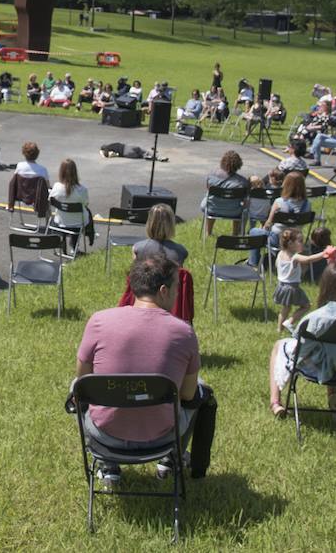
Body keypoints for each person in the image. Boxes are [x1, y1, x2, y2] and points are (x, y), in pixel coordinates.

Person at [74, 254, 200, 487]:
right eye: (176, 288)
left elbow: (82, 378)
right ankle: (171, 459)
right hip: (163, 435)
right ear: (164, 290)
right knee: (202, 390)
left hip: (105, 434)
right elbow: (188, 395)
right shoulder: (184, 333)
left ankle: (107, 465)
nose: (177, 294)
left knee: (78, 389)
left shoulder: (99, 321)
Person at [267, 263, 336, 417]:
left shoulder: (317, 318)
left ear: (325, 286)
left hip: (320, 371)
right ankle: (332, 396)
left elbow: (299, 352)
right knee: (332, 349)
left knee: (280, 345)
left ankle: (275, 403)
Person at [249, 171, 309, 266]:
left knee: (254, 231)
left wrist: (264, 229)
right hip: (296, 239)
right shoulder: (307, 204)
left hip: (278, 239)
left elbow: (268, 224)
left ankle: (253, 262)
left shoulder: (279, 202)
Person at [273, 228, 323, 334]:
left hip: (281, 286)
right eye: (300, 241)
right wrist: (324, 254)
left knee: (285, 308)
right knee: (306, 306)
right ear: (290, 243)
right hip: (292, 287)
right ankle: (290, 322)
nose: (302, 244)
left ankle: (279, 329)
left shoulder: (280, 254)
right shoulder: (295, 257)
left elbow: (277, 265)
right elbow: (309, 259)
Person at [201, 150, 248, 236]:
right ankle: (235, 233)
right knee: (241, 206)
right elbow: (245, 201)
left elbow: (208, 189)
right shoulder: (243, 182)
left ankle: (209, 232)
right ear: (239, 164)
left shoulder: (212, 176)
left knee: (210, 200)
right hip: (234, 212)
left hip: (212, 209)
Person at [49, 158, 91, 249]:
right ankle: (75, 247)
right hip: (78, 222)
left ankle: (63, 243)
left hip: (61, 221)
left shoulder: (57, 187)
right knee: (86, 213)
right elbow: (86, 204)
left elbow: (51, 200)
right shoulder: (82, 189)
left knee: (61, 214)